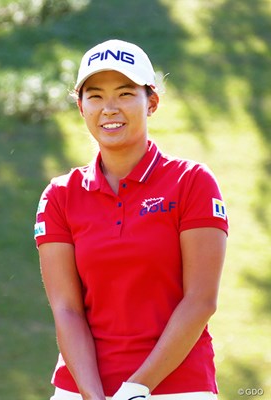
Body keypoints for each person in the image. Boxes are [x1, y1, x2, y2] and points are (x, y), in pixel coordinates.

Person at [34, 39, 228, 400]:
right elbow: (67, 309)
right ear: (80, 106)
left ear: (151, 102)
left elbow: (201, 300)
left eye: (125, 94)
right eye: (95, 96)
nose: (109, 108)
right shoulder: (60, 195)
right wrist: (93, 395)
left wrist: (136, 388)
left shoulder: (192, 183)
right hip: (80, 389)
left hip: (177, 389)